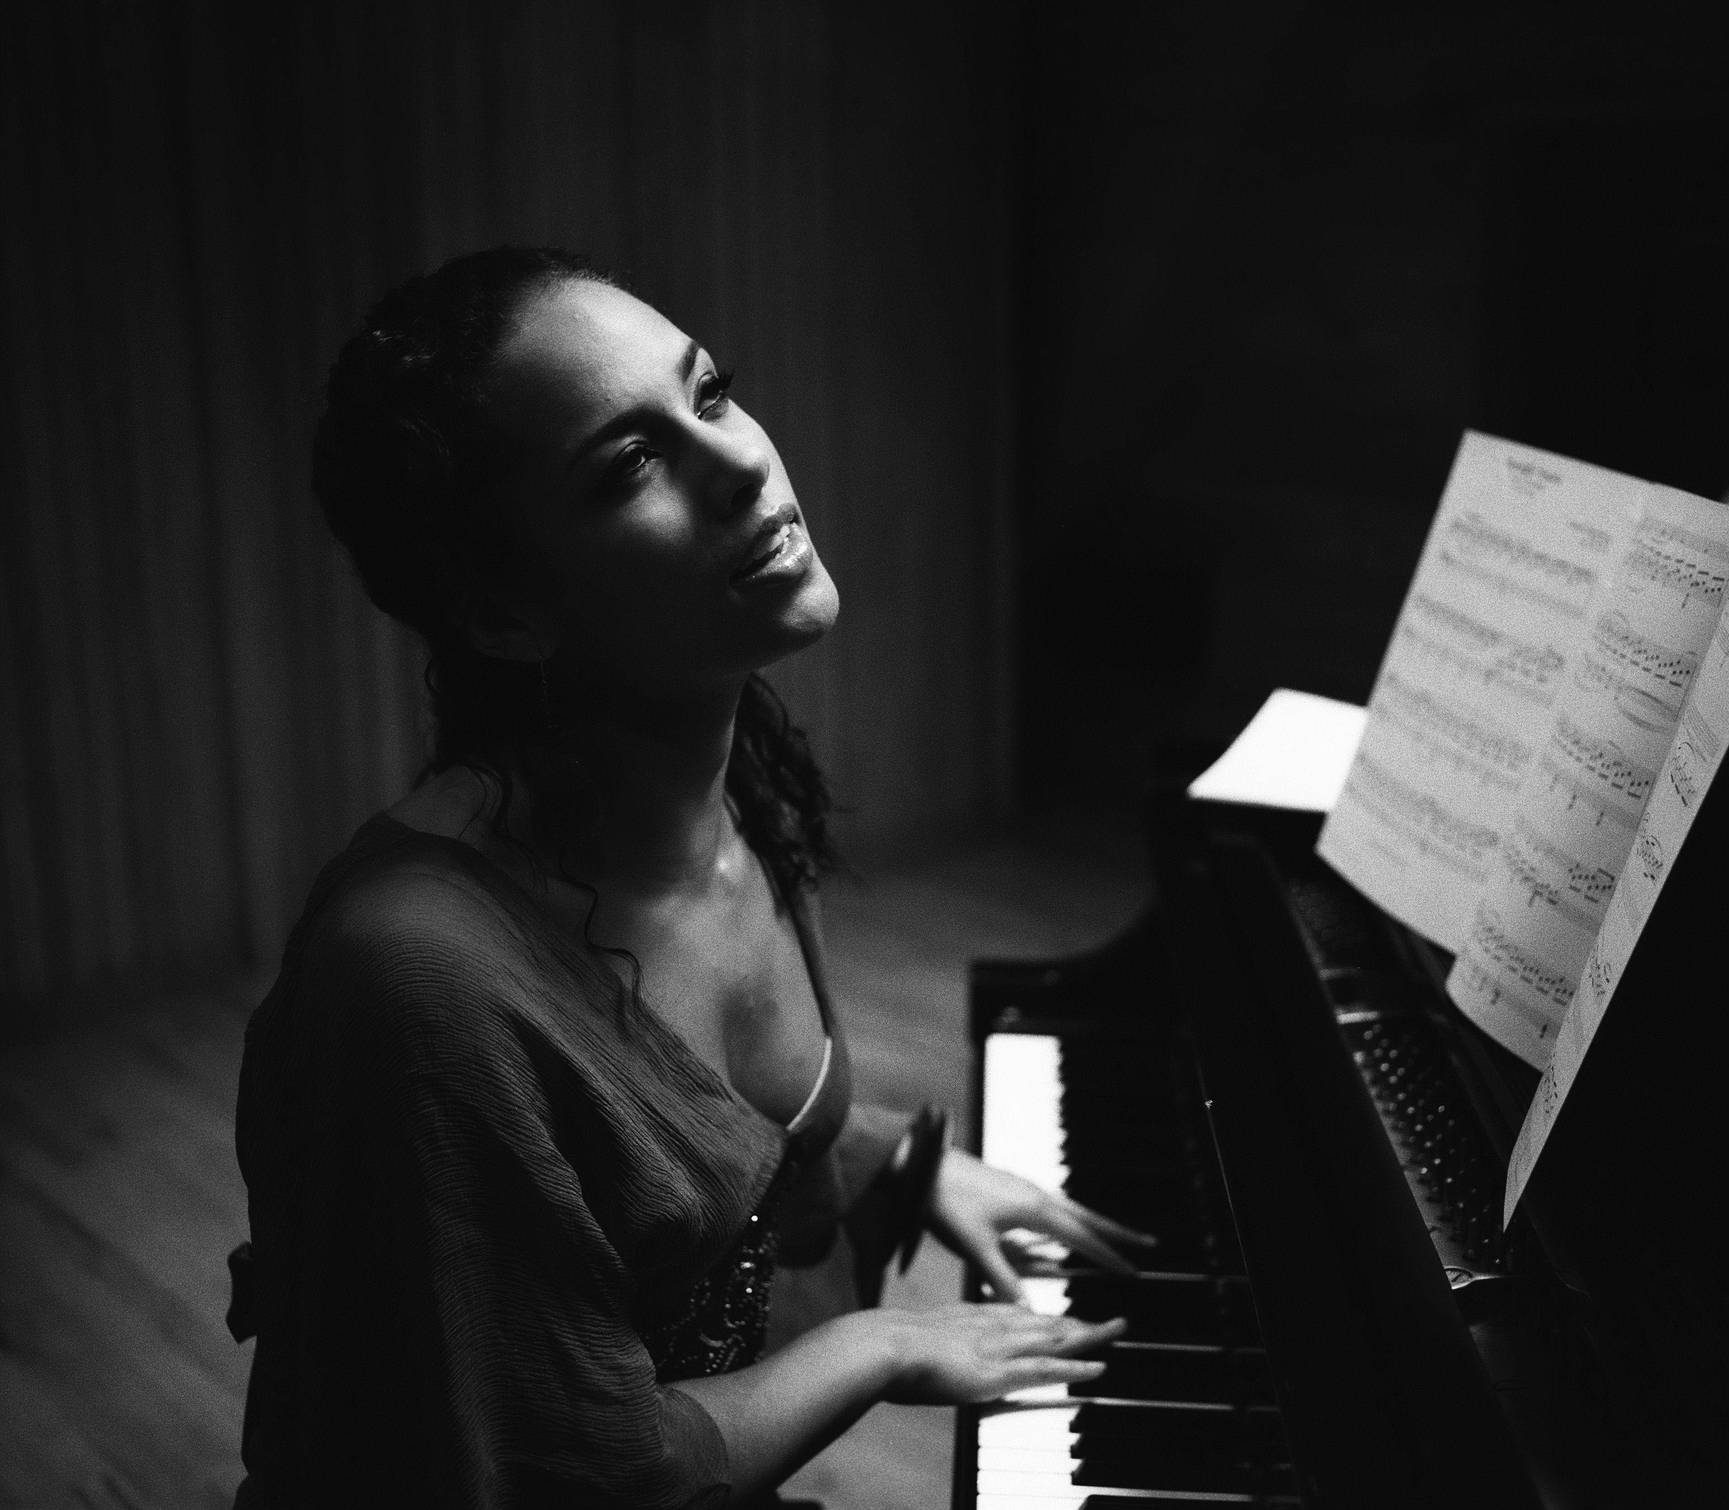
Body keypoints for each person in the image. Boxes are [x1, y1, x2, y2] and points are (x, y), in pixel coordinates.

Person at [226, 245, 1152, 1509]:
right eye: (631, 466)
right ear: (505, 614)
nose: (743, 463)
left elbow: (715, 1159)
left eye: (710, 393)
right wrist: (879, 1341)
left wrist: (898, 1159)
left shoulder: (734, 778)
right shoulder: (417, 986)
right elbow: (570, 1473)